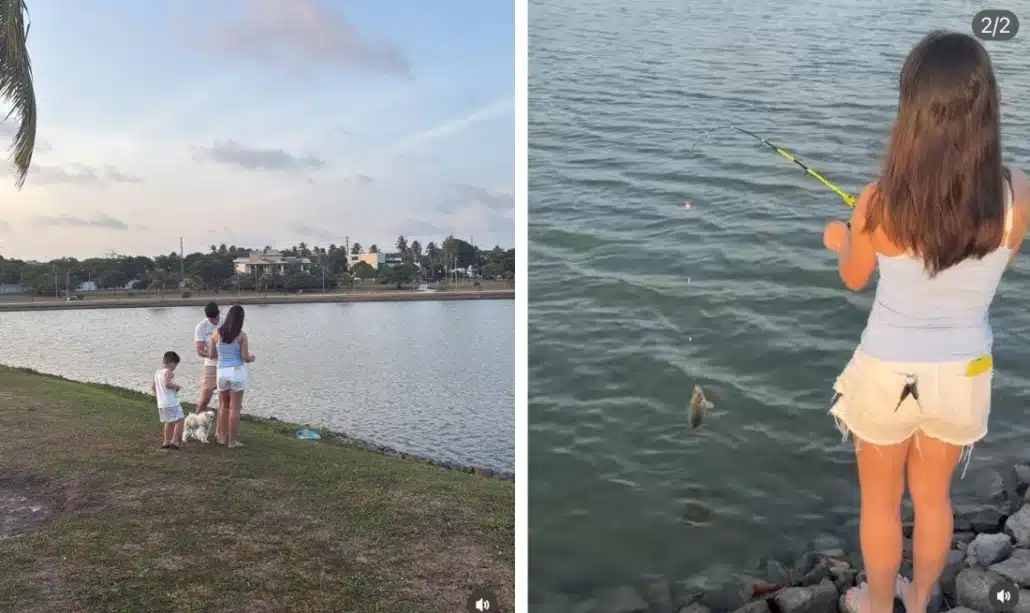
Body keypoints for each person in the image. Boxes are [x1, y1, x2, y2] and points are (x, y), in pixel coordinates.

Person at [822, 31, 1029, 613]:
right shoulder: (1017, 192)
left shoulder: (879, 201)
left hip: (887, 369)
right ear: (986, 108)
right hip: (963, 373)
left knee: (881, 505)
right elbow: (992, 262)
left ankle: (877, 602)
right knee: (934, 500)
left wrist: (843, 238)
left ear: (912, 110)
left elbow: (854, 276)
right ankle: (919, 600)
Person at [208, 304, 256, 448]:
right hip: (236, 372)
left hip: (222, 371)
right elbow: (245, 357)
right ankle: (232, 441)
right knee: (235, 408)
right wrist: (251, 358)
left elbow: (211, 355)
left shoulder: (216, 334)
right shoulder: (242, 335)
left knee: (224, 406)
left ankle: (222, 438)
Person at [194, 301, 223, 437]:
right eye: (211, 319)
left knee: (225, 401)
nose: (214, 321)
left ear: (219, 313)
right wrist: (211, 355)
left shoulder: (226, 322)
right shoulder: (201, 327)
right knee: (204, 399)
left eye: (216, 318)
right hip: (210, 365)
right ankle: (195, 429)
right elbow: (200, 350)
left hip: (226, 364)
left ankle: (220, 433)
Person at [151, 351, 185, 450]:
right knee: (180, 419)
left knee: (168, 421)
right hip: (171, 402)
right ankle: (175, 442)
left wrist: (160, 395)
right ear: (171, 363)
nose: (175, 367)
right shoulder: (169, 372)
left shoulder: (157, 373)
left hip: (162, 403)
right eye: (175, 365)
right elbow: (167, 384)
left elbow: (153, 387)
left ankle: (166, 441)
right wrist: (177, 387)